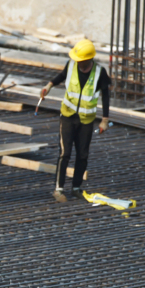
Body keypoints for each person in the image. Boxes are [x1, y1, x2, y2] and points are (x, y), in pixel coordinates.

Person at [40, 39, 110, 203]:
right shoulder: (71, 65)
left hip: (86, 120)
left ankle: (76, 187)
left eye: (80, 60)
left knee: (83, 154)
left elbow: (106, 96)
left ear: (88, 59)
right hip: (68, 116)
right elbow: (61, 76)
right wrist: (48, 86)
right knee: (65, 153)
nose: (77, 62)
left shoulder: (100, 73)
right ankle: (58, 189)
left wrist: (105, 120)